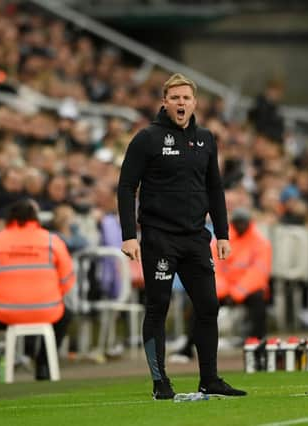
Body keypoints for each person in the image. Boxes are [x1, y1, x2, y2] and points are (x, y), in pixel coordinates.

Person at [117, 73, 246, 399]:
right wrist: (129, 235)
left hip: (195, 237)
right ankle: (161, 382)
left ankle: (210, 379)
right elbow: (126, 186)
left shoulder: (205, 139)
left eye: (186, 98)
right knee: (158, 305)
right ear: (165, 101)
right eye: (174, 97)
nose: (181, 103)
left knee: (208, 306)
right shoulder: (147, 138)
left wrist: (222, 234)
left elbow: (215, 188)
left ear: (194, 102)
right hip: (160, 236)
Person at [0, 199, 75, 382]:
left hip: (5, 311)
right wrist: (49, 296)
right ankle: (44, 366)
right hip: (47, 310)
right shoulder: (53, 240)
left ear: (9, 219)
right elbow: (67, 280)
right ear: (36, 218)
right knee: (66, 314)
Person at [170, 207, 272, 362]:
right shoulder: (221, 240)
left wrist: (237, 291)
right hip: (224, 289)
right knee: (199, 302)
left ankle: (257, 347)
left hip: (245, 290)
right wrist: (223, 290)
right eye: (237, 222)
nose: (240, 225)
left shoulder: (261, 243)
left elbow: (259, 273)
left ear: (249, 223)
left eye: (243, 222)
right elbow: (211, 267)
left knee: (259, 301)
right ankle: (188, 347)